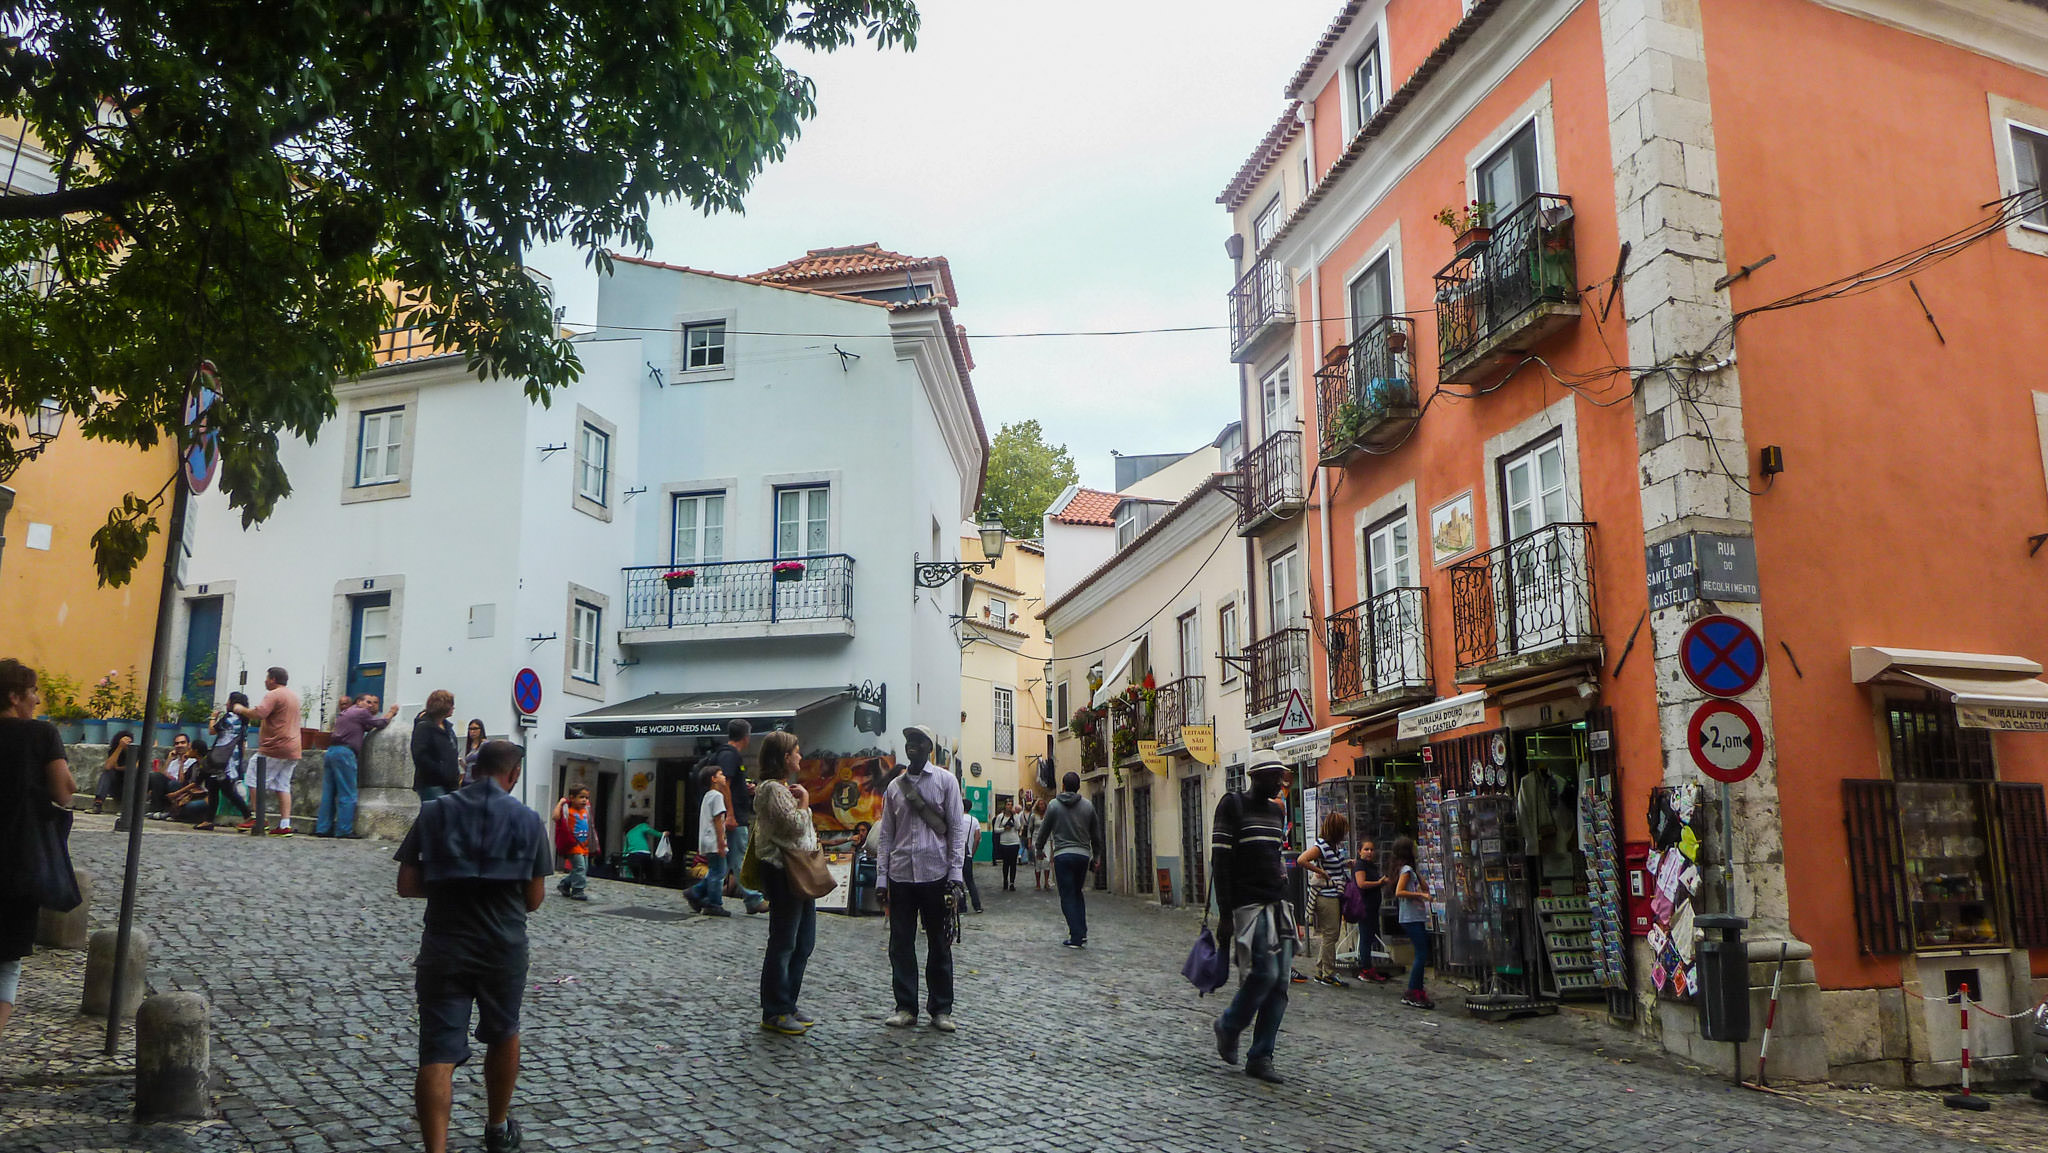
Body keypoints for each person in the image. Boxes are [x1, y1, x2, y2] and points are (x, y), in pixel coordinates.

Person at [395, 740, 550, 1153]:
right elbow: (534, 901)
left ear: (474, 767)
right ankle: (497, 1128)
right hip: (503, 947)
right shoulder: (529, 820)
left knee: (437, 1051)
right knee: (503, 1032)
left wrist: (451, 882)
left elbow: (407, 885)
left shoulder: (435, 811)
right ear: (513, 774)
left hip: (444, 945)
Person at [874, 724, 968, 1032]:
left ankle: (941, 1009)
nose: (911, 746)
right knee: (900, 944)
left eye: (918, 741)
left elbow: (956, 830)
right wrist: (882, 879)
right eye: (908, 741)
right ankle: (905, 1007)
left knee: (939, 944)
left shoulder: (945, 782)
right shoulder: (894, 788)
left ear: (930, 747)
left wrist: (955, 875)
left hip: (936, 874)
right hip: (901, 875)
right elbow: (886, 835)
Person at [1, 658, 75, 1034]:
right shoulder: (40, 735)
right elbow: (64, 792)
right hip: (19, 859)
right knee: (6, 959)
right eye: (32, 692)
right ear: (15, 696)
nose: (37, 700)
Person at [1211, 759, 1295, 1084]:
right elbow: (1221, 860)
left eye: (1281, 777)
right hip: (1247, 904)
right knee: (1265, 972)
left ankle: (1261, 1056)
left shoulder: (1277, 813)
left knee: (1282, 983)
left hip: (1278, 903)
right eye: (1275, 777)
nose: (1279, 783)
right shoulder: (1232, 805)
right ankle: (1229, 1025)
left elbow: (1276, 858)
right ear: (1256, 777)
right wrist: (1225, 914)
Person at [752, 731, 820, 1035]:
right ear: (784, 757)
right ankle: (775, 1009)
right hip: (783, 871)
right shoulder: (771, 790)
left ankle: (788, 1002)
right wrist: (805, 803)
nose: (800, 756)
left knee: (804, 941)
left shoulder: (781, 789)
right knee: (783, 942)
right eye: (796, 751)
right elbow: (793, 827)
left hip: (800, 870)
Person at [1033, 773, 1103, 949]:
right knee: (1077, 893)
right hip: (1082, 855)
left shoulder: (1054, 806)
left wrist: (1039, 849)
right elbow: (1096, 834)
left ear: (1063, 786)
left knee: (1067, 896)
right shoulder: (1088, 806)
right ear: (1078, 787)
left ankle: (1076, 936)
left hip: (1062, 855)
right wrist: (1097, 856)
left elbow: (1044, 829)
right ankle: (1082, 931)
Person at [233, 667, 303, 836]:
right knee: (283, 784)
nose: (265, 681)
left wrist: (241, 709)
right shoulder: (293, 696)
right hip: (293, 748)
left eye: (267, 678)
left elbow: (260, 712)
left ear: (273, 679)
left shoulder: (274, 694)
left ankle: (258, 818)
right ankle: (285, 824)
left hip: (275, 746)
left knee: (253, 777)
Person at [321, 693, 397, 838]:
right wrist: (392, 712)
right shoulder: (360, 712)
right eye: (367, 702)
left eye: (374, 703)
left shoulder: (346, 713)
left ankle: (323, 828)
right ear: (359, 702)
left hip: (332, 751)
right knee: (347, 792)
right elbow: (380, 723)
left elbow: (366, 726)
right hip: (345, 753)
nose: (371, 705)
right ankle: (344, 829)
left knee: (329, 793)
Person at [710, 719, 766, 915]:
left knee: (725, 860)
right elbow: (724, 784)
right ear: (746, 736)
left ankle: (700, 894)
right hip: (734, 818)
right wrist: (731, 815)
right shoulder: (730, 756)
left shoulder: (727, 754)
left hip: (733, 815)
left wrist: (745, 789)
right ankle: (752, 899)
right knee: (738, 858)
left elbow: (729, 785)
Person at [1297, 812, 1351, 988]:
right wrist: (1320, 872)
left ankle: (1321, 970)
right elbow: (1302, 859)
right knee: (1331, 934)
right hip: (1326, 895)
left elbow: (1333, 864)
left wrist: (1346, 863)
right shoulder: (1321, 847)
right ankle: (1328, 972)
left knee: (1329, 934)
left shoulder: (1333, 847)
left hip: (1333, 894)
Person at [1390, 836, 1435, 1009]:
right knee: (1421, 953)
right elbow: (1399, 892)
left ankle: (1417, 989)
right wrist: (1421, 896)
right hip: (1410, 917)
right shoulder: (1406, 870)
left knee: (1422, 951)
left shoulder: (1410, 870)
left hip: (1414, 916)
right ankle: (1413, 989)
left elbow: (1424, 886)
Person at [684, 763, 733, 917]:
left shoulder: (707, 796)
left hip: (706, 840)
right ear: (713, 779)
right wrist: (721, 841)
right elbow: (718, 819)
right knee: (718, 873)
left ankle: (696, 893)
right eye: (721, 774)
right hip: (714, 839)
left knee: (714, 870)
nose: (724, 777)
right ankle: (714, 903)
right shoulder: (717, 796)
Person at [1350, 839, 1393, 982]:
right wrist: (1379, 883)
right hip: (1365, 906)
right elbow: (1361, 884)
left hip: (1372, 906)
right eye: (1366, 849)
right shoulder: (1361, 866)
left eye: (1371, 850)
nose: (1369, 852)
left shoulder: (1370, 866)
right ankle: (1365, 969)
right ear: (1359, 851)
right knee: (1365, 936)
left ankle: (1368, 967)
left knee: (1369, 937)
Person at [411, 690, 460, 804]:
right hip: (432, 783)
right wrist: (441, 770)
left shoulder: (448, 727)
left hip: (450, 784)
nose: (453, 708)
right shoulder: (423, 727)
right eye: (451, 704)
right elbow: (420, 755)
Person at [551, 787, 599, 902]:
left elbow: (591, 825)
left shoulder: (586, 810)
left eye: (586, 798)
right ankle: (578, 890)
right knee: (580, 867)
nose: (584, 800)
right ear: (572, 798)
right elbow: (555, 817)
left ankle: (564, 884)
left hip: (584, 845)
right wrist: (561, 803)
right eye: (581, 797)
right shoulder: (568, 809)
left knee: (582, 869)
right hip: (573, 844)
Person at [91, 730, 135, 815]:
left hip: (130, 786)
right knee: (107, 773)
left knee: (132, 775)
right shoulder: (114, 751)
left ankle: (127, 808)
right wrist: (120, 747)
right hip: (116, 786)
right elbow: (108, 767)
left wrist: (118, 767)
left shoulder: (136, 752)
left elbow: (135, 767)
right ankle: (98, 803)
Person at [991, 800, 1023, 891]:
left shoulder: (1015, 816)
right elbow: (996, 829)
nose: (1009, 806)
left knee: (1013, 864)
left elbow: (1018, 827)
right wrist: (1004, 829)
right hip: (1004, 842)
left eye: (1011, 805)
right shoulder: (1000, 817)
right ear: (1005, 806)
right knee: (1006, 863)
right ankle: (1005, 880)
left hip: (1014, 842)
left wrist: (1015, 817)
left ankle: (1012, 882)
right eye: (1008, 805)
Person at [959, 798, 984, 914]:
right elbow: (978, 838)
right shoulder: (974, 820)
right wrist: (972, 852)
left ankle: (962, 906)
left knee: (958, 882)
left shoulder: (956, 818)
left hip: (956, 854)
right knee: (970, 881)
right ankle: (977, 906)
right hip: (967, 854)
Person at [621, 817, 660, 883]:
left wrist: (624, 860)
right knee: (649, 873)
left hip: (632, 856)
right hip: (644, 854)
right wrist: (662, 834)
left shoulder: (628, 833)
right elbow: (653, 832)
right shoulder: (642, 826)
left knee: (637, 875)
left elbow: (625, 849)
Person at [1023, 800, 1050, 892]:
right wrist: (1029, 842)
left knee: (1047, 861)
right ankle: (1038, 883)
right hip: (1036, 840)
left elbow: (1052, 829)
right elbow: (1029, 829)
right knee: (1038, 862)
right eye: (1040, 804)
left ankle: (1046, 882)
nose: (1041, 806)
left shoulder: (1048, 816)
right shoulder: (1034, 816)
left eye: (1043, 804)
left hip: (1047, 840)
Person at [461, 719, 488, 784]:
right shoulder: (470, 745)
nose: (472, 731)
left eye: (475, 729)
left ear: (481, 730)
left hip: (479, 780)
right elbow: (468, 767)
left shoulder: (485, 744)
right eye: (470, 729)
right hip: (467, 780)